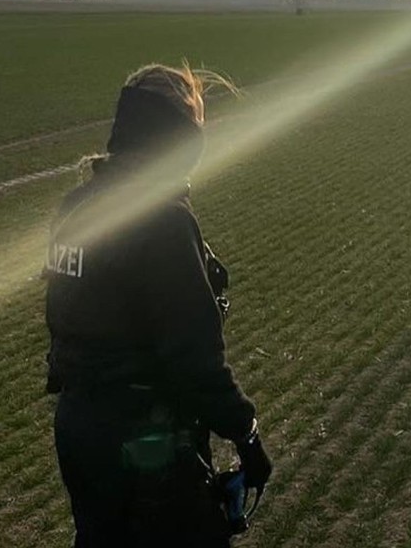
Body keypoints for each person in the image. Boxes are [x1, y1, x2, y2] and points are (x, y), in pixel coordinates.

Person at [44, 63, 272, 546]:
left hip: (79, 429)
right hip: (147, 442)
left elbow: (63, 322)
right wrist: (246, 434)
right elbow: (193, 360)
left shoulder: (76, 208)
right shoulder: (164, 223)